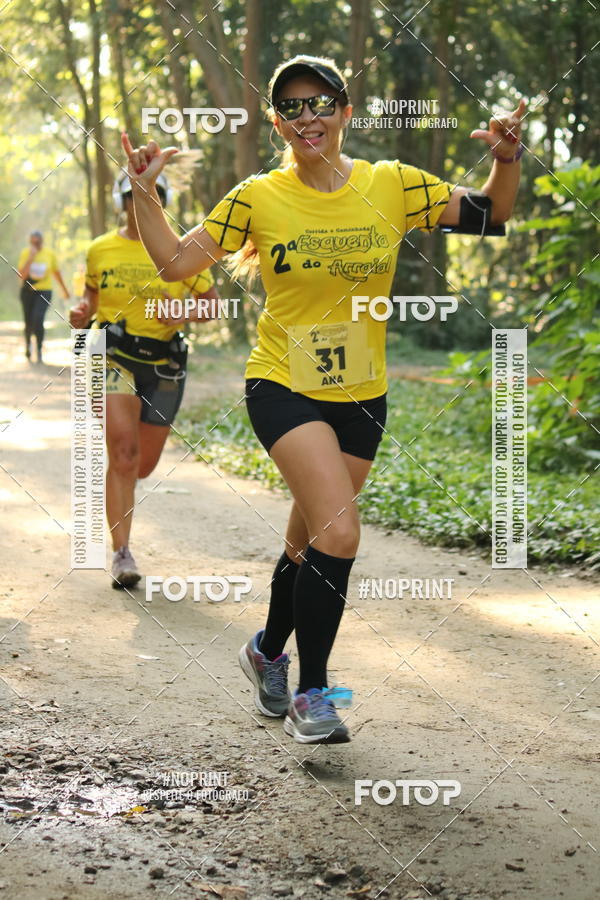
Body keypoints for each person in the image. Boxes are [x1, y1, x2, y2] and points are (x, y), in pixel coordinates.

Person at [122, 55, 525, 743]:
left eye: (320, 103)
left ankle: (265, 651)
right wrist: (143, 195)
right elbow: (176, 263)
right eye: (292, 107)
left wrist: (508, 158)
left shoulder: (391, 184)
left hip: (362, 395)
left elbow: (490, 213)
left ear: (344, 109)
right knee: (339, 533)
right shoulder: (258, 197)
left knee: (308, 546)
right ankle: (314, 694)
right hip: (282, 383)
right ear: (278, 121)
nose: (307, 117)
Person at [69, 172, 219, 589]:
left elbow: (211, 307)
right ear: (122, 201)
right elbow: (90, 302)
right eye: (133, 196)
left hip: (164, 365)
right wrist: (80, 316)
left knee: (141, 465)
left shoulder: (183, 250)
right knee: (122, 451)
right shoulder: (101, 249)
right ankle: (122, 553)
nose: (141, 204)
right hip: (112, 357)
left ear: (163, 202)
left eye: (152, 196)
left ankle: (122, 495)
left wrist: (184, 314)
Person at [18, 230, 70, 364]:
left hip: (44, 291)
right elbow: (21, 276)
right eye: (33, 242)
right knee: (28, 321)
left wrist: (64, 290)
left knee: (38, 318)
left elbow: (57, 273)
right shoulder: (25, 253)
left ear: (42, 241)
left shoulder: (49, 254)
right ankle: (28, 345)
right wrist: (31, 257)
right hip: (27, 291)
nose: (36, 244)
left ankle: (39, 350)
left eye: (38, 241)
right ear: (30, 242)